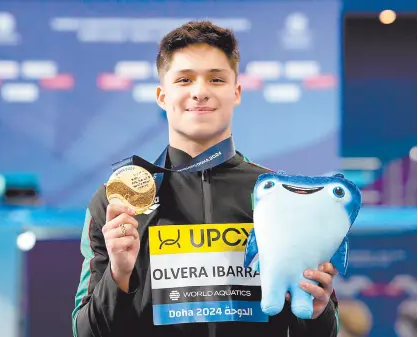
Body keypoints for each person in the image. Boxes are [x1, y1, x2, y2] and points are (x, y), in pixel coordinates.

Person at [72, 20, 340, 337]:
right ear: (162, 95)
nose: (200, 92)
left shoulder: (285, 197)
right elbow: (85, 332)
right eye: (184, 80)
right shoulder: (117, 200)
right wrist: (119, 273)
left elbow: (322, 329)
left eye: (216, 79)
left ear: (236, 92)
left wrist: (316, 312)